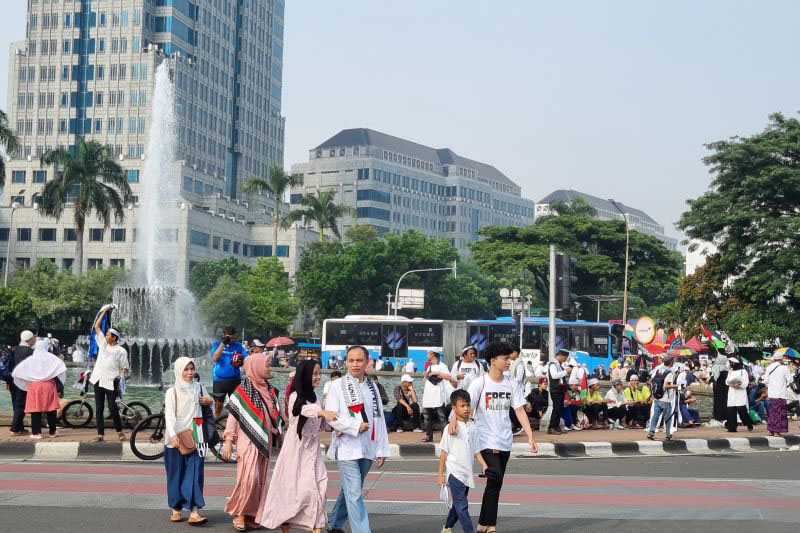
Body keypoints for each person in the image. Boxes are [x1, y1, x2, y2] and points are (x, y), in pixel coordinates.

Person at [454, 341, 537, 533]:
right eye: (505, 358)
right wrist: (454, 422)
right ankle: (490, 525)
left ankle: (484, 524)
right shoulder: (480, 383)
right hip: (485, 439)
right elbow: (466, 406)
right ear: (493, 360)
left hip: (505, 440)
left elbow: (519, 410)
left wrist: (530, 435)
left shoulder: (512, 383)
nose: (509, 362)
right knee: (495, 476)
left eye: (509, 358)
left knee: (496, 483)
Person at [261, 359, 339, 533]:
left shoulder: (317, 397)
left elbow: (321, 422)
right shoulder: (296, 396)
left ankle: (317, 526)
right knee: (291, 487)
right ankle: (285, 524)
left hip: (312, 446)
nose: (319, 377)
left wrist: (337, 424)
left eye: (320, 373)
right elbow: (301, 410)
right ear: (304, 375)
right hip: (295, 447)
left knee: (318, 484)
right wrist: (320, 412)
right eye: (315, 373)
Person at [325, 345, 390, 533]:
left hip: (367, 447)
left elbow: (379, 419)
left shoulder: (372, 387)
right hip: (347, 446)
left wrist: (382, 449)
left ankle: (334, 523)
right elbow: (332, 417)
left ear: (367, 362)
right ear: (346, 361)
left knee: (349, 491)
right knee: (355, 493)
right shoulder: (337, 385)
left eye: (359, 360)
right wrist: (354, 426)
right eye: (351, 360)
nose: (355, 364)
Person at [222, 349, 278, 531]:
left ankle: (251, 514)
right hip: (248, 442)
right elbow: (233, 418)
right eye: (267, 365)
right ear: (256, 368)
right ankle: (239, 513)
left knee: (260, 479)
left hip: (265, 442)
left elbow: (277, 415)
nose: (270, 368)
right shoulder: (242, 390)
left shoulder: (270, 390)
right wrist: (229, 442)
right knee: (248, 478)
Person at [164, 357, 213, 525]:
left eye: (192, 369)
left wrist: (209, 401)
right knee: (175, 474)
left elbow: (209, 404)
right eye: (186, 369)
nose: (190, 373)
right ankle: (176, 508)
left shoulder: (200, 387)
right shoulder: (172, 391)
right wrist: (172, 435)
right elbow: (169, 415)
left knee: (195, 474)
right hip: (176, 437)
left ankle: (194, 511)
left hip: (197, 435)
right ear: (179, 371)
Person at [438, 389, 489, 533]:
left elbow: (476, 450)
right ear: (454, 408)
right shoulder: (450, 428)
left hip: (467, 473)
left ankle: (447, 527)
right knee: (462, 506)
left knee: (457, 505)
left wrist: (484, 465)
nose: (466, 409)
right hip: (455, 473)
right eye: (462, 406)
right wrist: (440, 475)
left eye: (468, 405)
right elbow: (444, 453)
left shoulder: (472, 427)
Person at [11, 339, 66, 439]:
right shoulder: (51, 358)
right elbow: (61, 368)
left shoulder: (30, 359)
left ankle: (36, 433)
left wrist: (26, 382)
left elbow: (17, 372)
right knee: (51, 409)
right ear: (46, 347)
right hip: (49, 385)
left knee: (35, 409)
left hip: (34, 386)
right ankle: (52, 432)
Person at [89, 305, 129, 442]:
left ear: (114, 338)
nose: (105, 336)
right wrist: (105, 311)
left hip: (111, 382)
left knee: (112, 408)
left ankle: (119, 431)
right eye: (105, 334)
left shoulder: (121, 351)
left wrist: (122, 378)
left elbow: (123, 367)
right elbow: (97, 326)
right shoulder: (102, 344)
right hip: (98, 379)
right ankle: (100, 434)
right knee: (99, 408)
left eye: (108, 335)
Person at [210, 326, 248, 418]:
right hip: (219, 380)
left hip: (234, 380)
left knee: (236, 406)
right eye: (228, 337)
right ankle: (215, 426)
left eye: (232, 337)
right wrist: (223, 343)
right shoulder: (216, 344)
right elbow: (214, 358)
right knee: (218, 407)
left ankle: (233, 427)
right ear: (223, 335)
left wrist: (242, 360)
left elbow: (247, 359)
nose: (230, 339)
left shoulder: (238, 345)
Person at [7, 330, 36, 436]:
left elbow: (9, 366)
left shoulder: (14, 349)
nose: (35, 339)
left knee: (16, 404)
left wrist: (7, 381)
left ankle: (20, 428)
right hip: (23, 382)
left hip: (12, 380)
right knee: (21, 405)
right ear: (29, 339)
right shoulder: (30, 352)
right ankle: (14, 429)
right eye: (33, 337)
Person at [647, 355, 678, 441]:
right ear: (671, 362)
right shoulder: (670, 372)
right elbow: (665, 385)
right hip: (665, 398)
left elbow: (651, 381)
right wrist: (676, 385)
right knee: (668, 417)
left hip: (657, 397)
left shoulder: (658, 370)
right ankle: (668, 434)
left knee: (655, 416)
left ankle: (651, 432)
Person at [422, 351, 450, 443]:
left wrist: (436, 373)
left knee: (442, 417)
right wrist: (427, 374)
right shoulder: (429, 366)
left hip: (438, 395)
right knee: (427, 417)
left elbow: (448, 376)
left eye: (428, 354)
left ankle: (445, 438)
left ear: (432, 354)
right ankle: (429, 436)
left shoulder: (442, 366)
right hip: (428, 395)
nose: (427, 356)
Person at [764, 352, 793, 436]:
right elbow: (790, 380)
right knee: (779, 413)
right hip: (780, 393)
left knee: (772, 412)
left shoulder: (769, 367)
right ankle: (777, 431)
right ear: (781, 359)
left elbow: (766, 380)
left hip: (772, 394)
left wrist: (771, 386)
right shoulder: (784, 368)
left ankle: (771, 431)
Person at [547, 349, 572, 435]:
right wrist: (565, 371)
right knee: (556, 409)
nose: (565, 360)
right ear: (560, 356)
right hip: (555, 390)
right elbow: (554, 376)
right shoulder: (553, 365)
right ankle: (551, 427)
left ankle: (556, 426)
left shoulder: (559, 365)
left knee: (560, 409)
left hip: (560, 389)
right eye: (565, 358)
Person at [725, 357, 753, 433]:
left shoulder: (743, 371)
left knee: (742, 410)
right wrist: (730, 383)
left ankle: (749, 424)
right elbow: (727, 381)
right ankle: (732, 427)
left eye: (732, 363)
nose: (730, 364)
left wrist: (739, 384)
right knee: (731, 410)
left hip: (740, 393)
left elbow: (746, 383)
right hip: (732, 392)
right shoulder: (730, 371)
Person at [711, 352, 730, 425]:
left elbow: (713, 378)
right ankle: (724, 417)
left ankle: (717, 417)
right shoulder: (726, 369)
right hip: (725, 389)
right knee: (724, 403)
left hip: (717, 389)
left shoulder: (715, 368)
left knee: (717, 403)